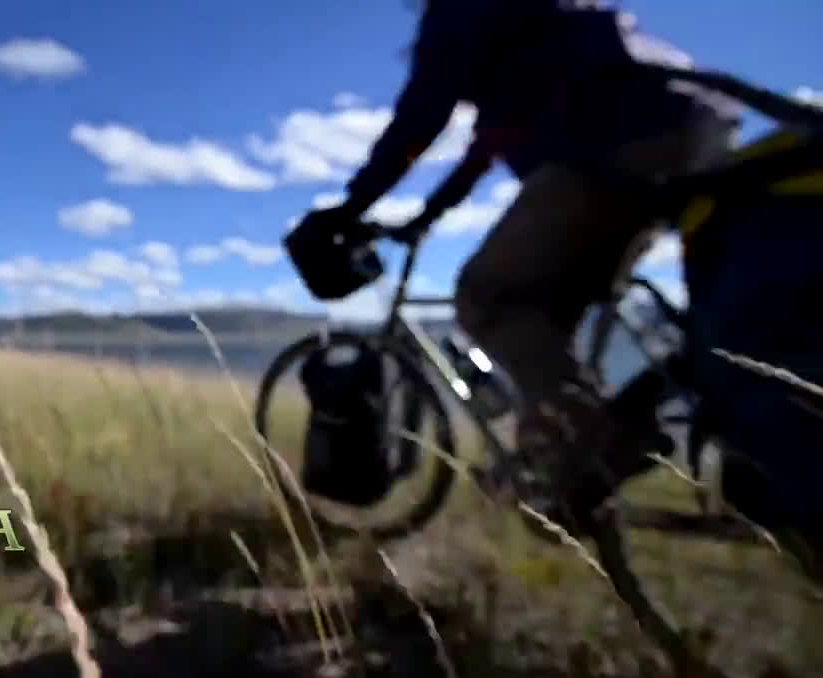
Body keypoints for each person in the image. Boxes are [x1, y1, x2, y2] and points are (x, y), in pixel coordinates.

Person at [285, 0, 739, 532]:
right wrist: (425, 217)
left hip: (619, 136)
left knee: (488, 295)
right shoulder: (523, 33)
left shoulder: (459, 12)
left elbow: (422, 116)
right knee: (545, 319)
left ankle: (599, 439)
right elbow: (482, 150)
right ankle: (560, 463)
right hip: (689, 123)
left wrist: (352, 205)